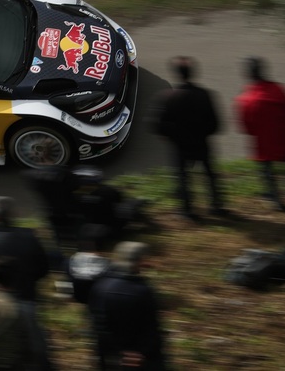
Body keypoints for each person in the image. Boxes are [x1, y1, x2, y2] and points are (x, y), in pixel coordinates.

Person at [0, 196, 54, 371]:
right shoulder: (30, 237)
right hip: (27, 299)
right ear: (12, 214)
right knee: (34, 345)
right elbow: (44, 267)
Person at [154, 56, 226, 220]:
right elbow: (215, 123)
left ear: (177, 74)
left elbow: (158, 126)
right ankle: (216, 205)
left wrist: (174, 136)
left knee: (183, 178)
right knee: (210, 176)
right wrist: (203, 134)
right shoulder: (204, 94)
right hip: (201, 143)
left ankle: (187, 210)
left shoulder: (167, 97)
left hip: (180, 146)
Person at [235, 56, 285, 211]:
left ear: (247, 74)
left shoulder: (246, 98)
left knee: (267, 171)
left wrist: (254, 131)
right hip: (282, 136)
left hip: (262, 140)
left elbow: (245, 125)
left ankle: (276, 200)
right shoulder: (279, 89)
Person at [88, 241, 167, 371]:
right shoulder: (140, 290)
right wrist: (143, 352)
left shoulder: (100, 285)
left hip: (111, 356)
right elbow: (151, 327)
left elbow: (97, 324)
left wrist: (114, 351)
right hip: (139, 358)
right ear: (139, 261)